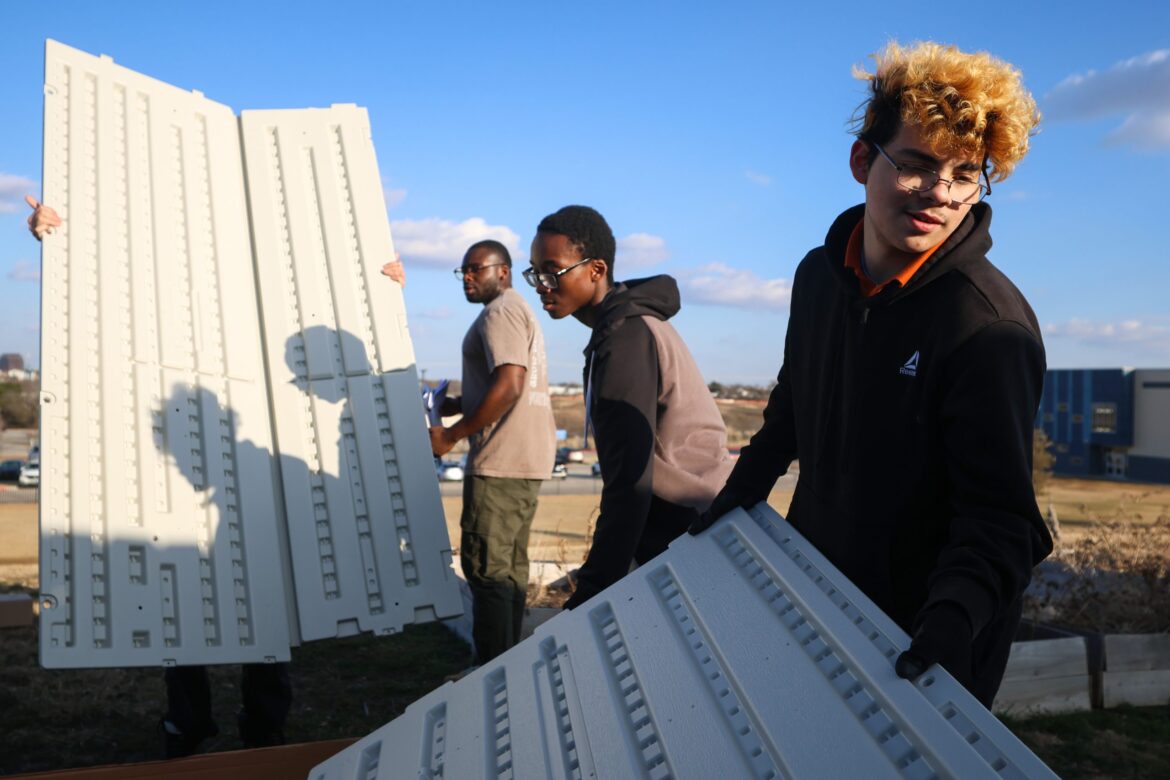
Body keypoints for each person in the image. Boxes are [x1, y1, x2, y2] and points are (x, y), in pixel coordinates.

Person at [688, 42, 1053, 707]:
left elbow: (1002, 520)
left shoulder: (989, 328)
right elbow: (796, 401)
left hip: (925, 638)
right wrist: (740, 494)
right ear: (863, 160)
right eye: (916, 164)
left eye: (966, 173)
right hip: (817, 590)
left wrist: (949, 623)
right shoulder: (818, 277)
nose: (941, 195)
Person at [27, 196, 291, 756]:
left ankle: (265, 731)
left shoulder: (248, 287)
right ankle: (189, 725)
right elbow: (93, 309)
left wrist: (380, 279)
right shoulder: (146, 296)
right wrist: (53, 238)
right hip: (171, 456)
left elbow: (304, 301)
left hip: (245, 462)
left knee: (266, 594)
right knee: (180, 595)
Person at [525, 205, 732, 609]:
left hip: (690, 525)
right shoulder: (621, 328)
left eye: (551, 271)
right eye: (534, 272)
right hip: (679, 523)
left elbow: (630, 483)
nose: (541, 284)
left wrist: (591, 591)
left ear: (596, 270)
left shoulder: (625, 337)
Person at [427, 240, 555, 664]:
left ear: (502, 272)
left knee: (488, 573)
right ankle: (511, 668)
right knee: (507, 573)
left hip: (500, 463)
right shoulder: (517, 309)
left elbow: (511, 383)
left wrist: (451, 436)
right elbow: (502, 384)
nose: (467, 276)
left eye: (475, 268)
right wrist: (457, 403)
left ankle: (494, 674)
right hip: (524, 460)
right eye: (462, 270)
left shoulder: (499, 312)